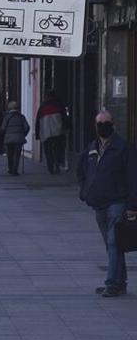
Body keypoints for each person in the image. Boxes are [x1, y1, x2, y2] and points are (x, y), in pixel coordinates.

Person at [77, 110, 137, 297]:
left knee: (113, 243)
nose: (103, 125)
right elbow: (82, 171)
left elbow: (133, 178)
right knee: (112, 244)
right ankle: (119, 282)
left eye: (106, 122)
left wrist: (132, 205)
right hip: (99, 203)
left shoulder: (123, 148)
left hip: (117, 202)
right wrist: (85, 192)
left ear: (113, 125)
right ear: (95, 126)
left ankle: (112, 283)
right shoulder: (91, 148)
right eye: (100, 123)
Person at [36, 94, 68, 175]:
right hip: (58, 131)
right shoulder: (59, 105)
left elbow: (38, 121)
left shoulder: (42, 106)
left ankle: (50, 168)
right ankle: (57, 164)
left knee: (48, 151)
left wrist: (37, 134)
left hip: (46, 132)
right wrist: (67, 127)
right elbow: (65, 118)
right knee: (58, 149)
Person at [0, 100, 30, 176]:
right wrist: (23, 135)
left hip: (9, 138)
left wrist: (3, 134)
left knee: (10, 154)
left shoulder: (7, 117)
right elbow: (27, 127)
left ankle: (10, 169)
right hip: (19, 138)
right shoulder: (21, 117)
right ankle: (15, 170)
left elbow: (3, 128)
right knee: (17, 155)